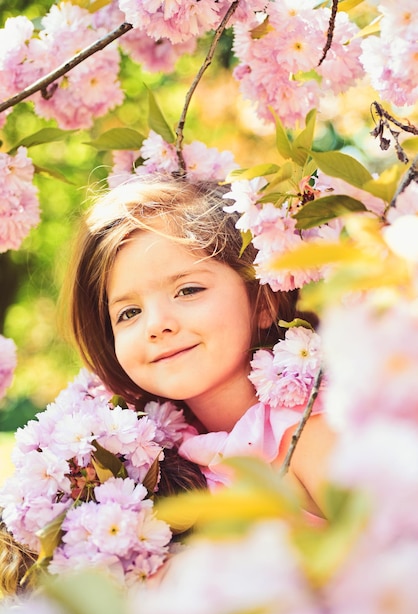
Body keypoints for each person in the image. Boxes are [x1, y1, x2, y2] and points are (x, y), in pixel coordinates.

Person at [66, 175, 335, 517]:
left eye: (188, 290)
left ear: (262, 300)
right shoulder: (155, 461)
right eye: (129, 312)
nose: (156, 325)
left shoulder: (311, 433)